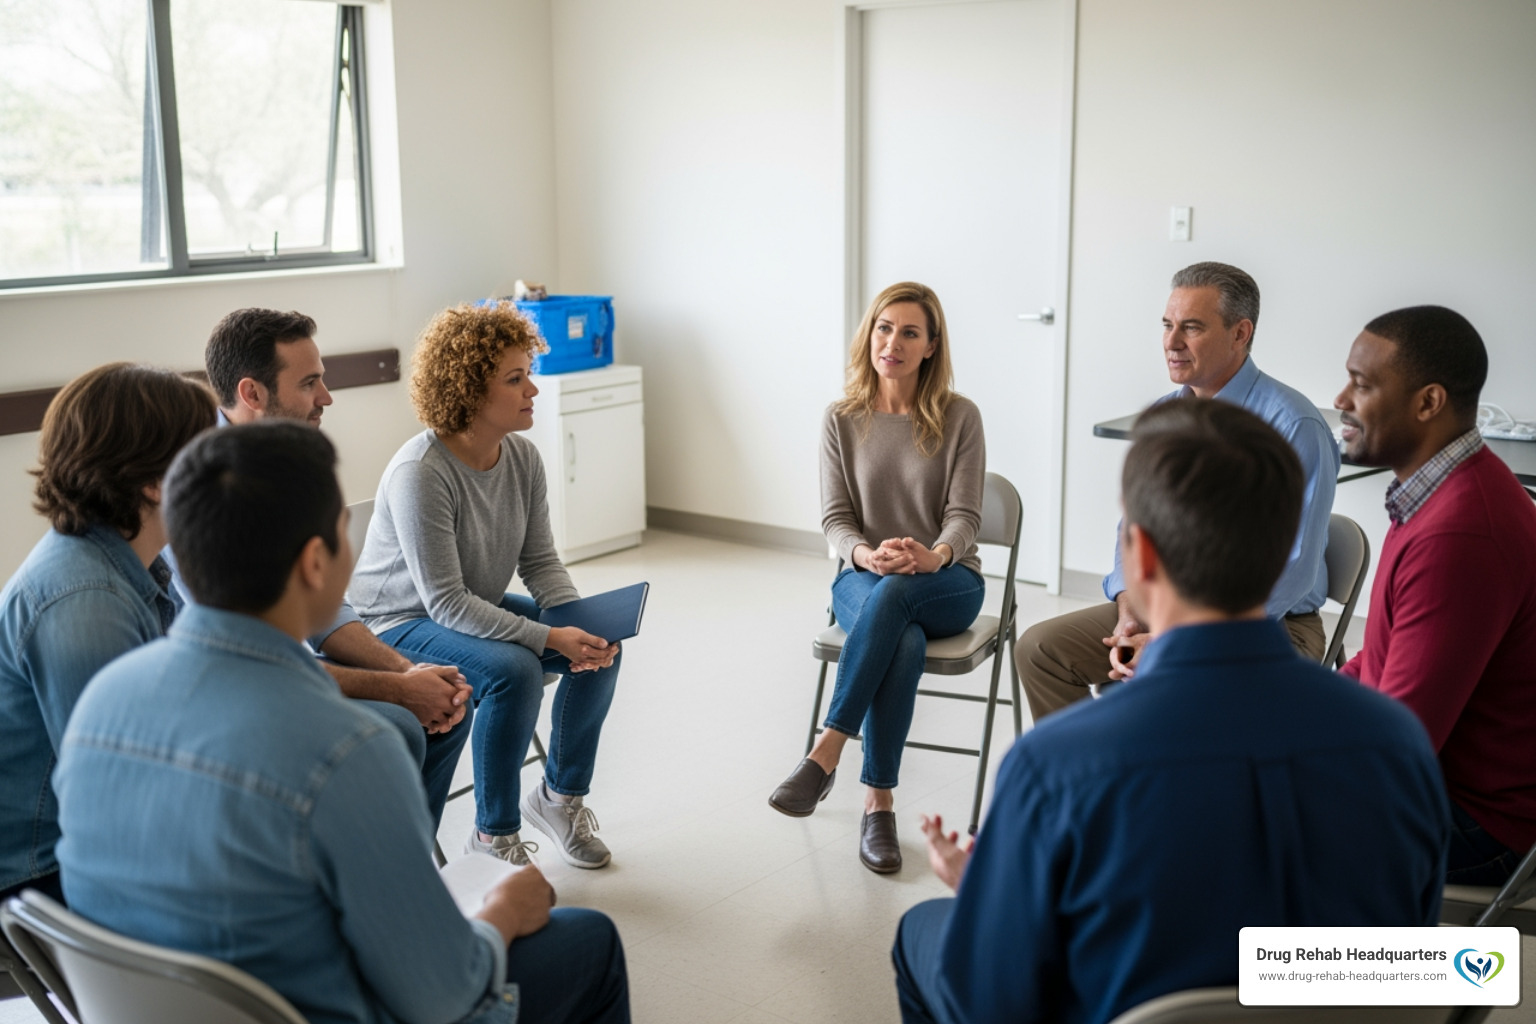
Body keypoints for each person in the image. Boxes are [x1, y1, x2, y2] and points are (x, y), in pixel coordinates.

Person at [54, 422, 630, 1024]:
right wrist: (504, 913)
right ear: (315, 562)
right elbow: (444, 997)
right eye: (344, 531)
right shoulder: (350, 751)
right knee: (587, 940)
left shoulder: (99, 704)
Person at [894, 399, 1448, 1024]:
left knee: (921, 931)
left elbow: (992, 1005)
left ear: (1143, 557)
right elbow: (1416, 966)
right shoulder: (1399, 744)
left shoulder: (1055, 766)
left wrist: (997, 898)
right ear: (1279, 553)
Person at [351, 302, 622, 869]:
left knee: (603, 649)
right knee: (514, 672)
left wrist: (577, 625)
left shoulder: (522, 458)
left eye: (529, 373)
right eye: (515, 378)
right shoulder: (420, 473)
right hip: (398, 623)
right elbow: (443, 602)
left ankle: (558, 798)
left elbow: (541, 561)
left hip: (472, 605)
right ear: (471, 388)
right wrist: (549, 640)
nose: (534, 391)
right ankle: (491, 836)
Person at [1017, 262, 1339, 722]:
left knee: (1169, 690)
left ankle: (1142, 777)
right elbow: (1132, 530)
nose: (1171, 342)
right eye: (1167, 325)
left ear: (1240, 332)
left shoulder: (1294, 425)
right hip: (1166, 608)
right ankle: (1098, 775)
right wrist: (1130, 608)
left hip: (1269, 627)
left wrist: (1180, 640)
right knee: (1040, 650)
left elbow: (1295, 570)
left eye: (1191, 327)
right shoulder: (1165, 418)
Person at [197, 307, 473, 828]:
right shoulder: (203, 489)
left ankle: (407, 872)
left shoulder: (282, 461)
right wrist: (397, 689)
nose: (326, 398)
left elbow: (324, 614)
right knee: (401, 723)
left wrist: (406, 671)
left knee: (446, 706)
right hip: (235, 692)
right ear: (253, 394)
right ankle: (382, 882)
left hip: (286, 663)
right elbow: (252, 664)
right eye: (310, 384)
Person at [768, 281, 986, 874]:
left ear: (931, 347)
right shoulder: (841, 418)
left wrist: (933, 555)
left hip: (948, 580)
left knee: (901, 605)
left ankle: (825, 752)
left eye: (909, 332)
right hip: (865, 576)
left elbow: (966, 517)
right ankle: (878, 805)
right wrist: (865, 556)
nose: (892, 342)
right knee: (902, 636)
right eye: (884, 328)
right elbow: (836, 519)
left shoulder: (959, 416)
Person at [0, 363, 215, 905]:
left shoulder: (123, 564)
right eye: (211, 453)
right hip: (39, 880)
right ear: (154, 482)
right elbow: (123, 806)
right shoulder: (86, 604)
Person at [1335, 305, 1536, 885]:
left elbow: (1398, 744)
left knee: (1230, 817)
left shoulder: (1461, 532)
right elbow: (1381, 662)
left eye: (1362, 383)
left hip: (1477, 821)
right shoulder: (1431, 491)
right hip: (1439, 781)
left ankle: (1302, 976)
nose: (1341, 398)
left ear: (1428, 403)